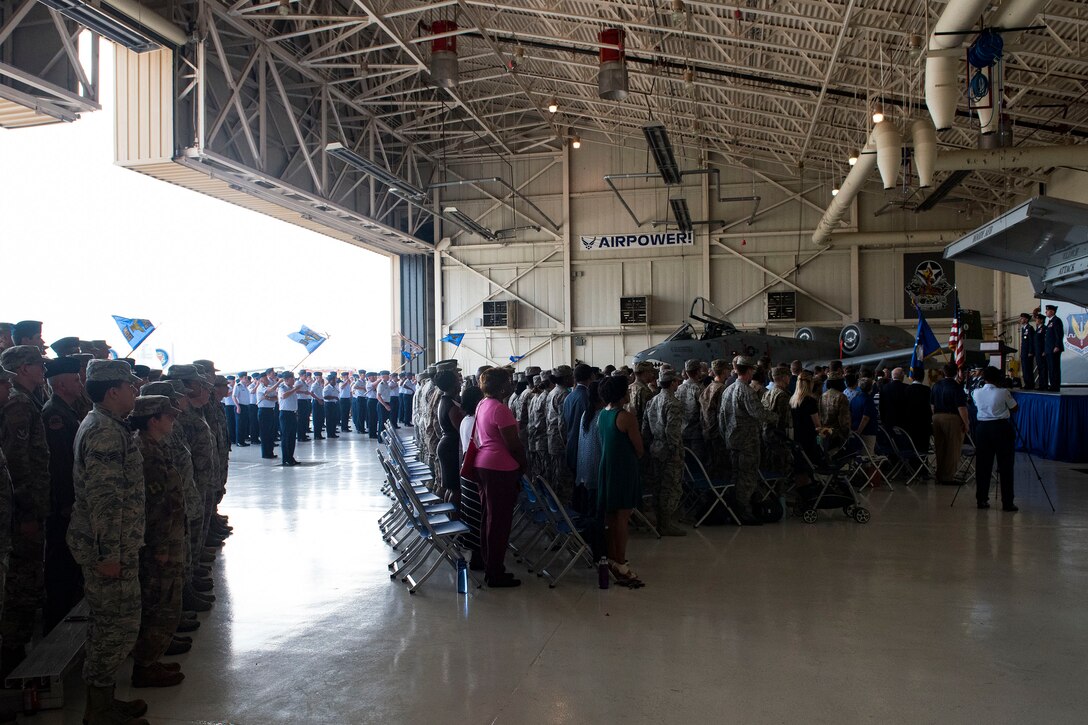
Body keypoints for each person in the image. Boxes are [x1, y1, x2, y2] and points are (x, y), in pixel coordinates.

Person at [67, 360, 150, 725]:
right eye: (129, 386)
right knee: (113, 628)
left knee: (116, 625)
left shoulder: (109, 425)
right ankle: (98, 711)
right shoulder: (103, 431)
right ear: (113, 391)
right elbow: (104, 501)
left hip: (118, 544)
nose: (135, 391)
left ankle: (105, 701)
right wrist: (108, 555)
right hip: (109, 549)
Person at [128, 396, 187, 688]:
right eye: (168, 416)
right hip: (159, 541)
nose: (172, 420)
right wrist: (162, 546)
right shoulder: (147, 453)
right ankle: (146, 664)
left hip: (166, 536)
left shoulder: (154, 447)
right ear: (153, 420)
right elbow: (156, 504)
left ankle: (151, 658)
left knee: (163, 599)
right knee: (158, 601)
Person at [0, 346, 50, 677]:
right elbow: (17, 459)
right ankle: (12, 650)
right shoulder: (18, 403)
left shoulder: (25, 399)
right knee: (22, 579)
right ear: (22, 368)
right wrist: (29, 511)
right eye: (37, 364)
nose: (42, 369)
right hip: (23, 509)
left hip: (29, 503)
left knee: (29, 576)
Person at [41, 356, 86, 634]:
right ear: (60, 384)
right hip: (62, 506)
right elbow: (59, 465)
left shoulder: (67, 411)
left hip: (70, 502)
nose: (80, 382)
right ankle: (56, 629)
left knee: (70, 569)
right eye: (75, 379)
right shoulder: (54, 415)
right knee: (60, 569)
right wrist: (68, 503)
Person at [472, 368, 527, 588]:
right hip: (500, 468)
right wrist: (524, 465)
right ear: (502, 387)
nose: (512, 385)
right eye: (509, 381)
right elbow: (513, 444)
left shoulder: (482, 404)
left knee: (489, 519)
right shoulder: (500, 409)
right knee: (499, 523)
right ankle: (495, 572)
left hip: (484, 464)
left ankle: (490, 564)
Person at [597, 375, 644, 586]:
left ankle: (611, 559)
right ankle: (621, 560)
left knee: (610, 517)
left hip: (607, 468)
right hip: (624, 470)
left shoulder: (602, 415)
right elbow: (639, 449)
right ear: (622, 393)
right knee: (623, 517)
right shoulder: (626, 417)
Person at [720, 356, 777, 525]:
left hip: (732, 440)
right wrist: (775, 416)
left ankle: (734, 509)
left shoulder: (728, 389)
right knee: (747, 477)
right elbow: (758, 414)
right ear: (749, 371)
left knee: (736, 475)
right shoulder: (746, 391)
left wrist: (726, 437)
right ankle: (743, 512)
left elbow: (722, 417)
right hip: (747, 442)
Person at [643, 369, 686, 536]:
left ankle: (659, 520)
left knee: (658, 486)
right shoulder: (674, 403)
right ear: (673, 383)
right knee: (671, 487)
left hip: (655, 448)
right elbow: (672, 432)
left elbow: (645, 429)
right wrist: (675, 450)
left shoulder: (652, 401)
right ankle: (666, 523)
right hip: (669, 450)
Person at [972, 366, 1018, 511]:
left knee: (983, 465)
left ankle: (981, 499)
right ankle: (1007, 502)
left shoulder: (976, 392)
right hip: (1001, 428)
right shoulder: (1003, 392)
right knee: (1005, 466)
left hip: (982, 429)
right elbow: (1015, 408)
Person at [458, 386, 485, 570]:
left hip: (467, 471)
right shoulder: (475, 421)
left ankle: (475, 553)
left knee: (472, 512)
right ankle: (477, 556)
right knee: (477, 514)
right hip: (474, 470)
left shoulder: (466, 420)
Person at [930, 363, 970, 486]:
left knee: (940, 448)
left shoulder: (936, 386)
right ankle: (948, 477)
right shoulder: (956, 387)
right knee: (952, 448)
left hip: (936, 417)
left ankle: (939, 474)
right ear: (956, 373)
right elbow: (961, 408)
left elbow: (931, 405)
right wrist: (966, 423)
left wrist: (935, 415)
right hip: (952, 418)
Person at [433, 369, 464, 507]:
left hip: (447, 445)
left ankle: (449, 516)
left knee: (451, 488)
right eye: (458, 380)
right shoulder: (451, 405)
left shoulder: (445, 400)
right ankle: (454, 520)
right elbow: (460, 429)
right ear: (453, 384)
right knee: (456, 489)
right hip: (450, 447)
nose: (460, 383)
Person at [699, 359, 731, 481]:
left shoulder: (708, 388)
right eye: (727, 369)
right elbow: (724, 414)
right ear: (724, 371)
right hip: (719, 434)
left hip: (707, 431)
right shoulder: (722, 389)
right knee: (722, 467)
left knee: (711, 464)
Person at [562, 364, 592, 479]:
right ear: (591, 376)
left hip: (571, 444)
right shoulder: (586, 396)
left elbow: (563, 423)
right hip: (583, 447)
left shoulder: (569, 396)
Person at [790, 370, 821, 465]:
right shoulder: (810, 401)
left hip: (796, 437)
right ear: (810, 384)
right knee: (810, 465)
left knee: (800, 467)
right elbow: (817, 425)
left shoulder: (793, 400)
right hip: (809, 438)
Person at [819, 376, 851, 448]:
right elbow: (844, 419)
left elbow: (820, 414)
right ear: (839, 383)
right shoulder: (841, 396)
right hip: (837, 434)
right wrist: (846, 433)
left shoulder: (823, 395)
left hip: (825, 432)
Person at [277, 371, 300, 466]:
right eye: (292, 378)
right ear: (286, 379)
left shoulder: (291, 388)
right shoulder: (282, 387)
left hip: (292, 414)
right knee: (286, 437)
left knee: (292, 437)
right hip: (285, 414)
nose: (294, 380)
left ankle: (291, 457)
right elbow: (284, 396)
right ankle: (285, 458)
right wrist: (294, 389)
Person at [255, 369, 278, 459]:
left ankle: (270, 452)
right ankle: (266, 453)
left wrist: (268, 398)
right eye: (265, 379)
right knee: (265, 433)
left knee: (270, 432)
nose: (267, 380)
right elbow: (271, 390)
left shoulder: (267, 386)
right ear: (261, 380)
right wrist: (279, 382)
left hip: (270, 410)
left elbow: (275, 398)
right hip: (263, 411)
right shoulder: (261, 387)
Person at [1043, 304, 1064, 392]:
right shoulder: (1050, 322)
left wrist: (1057, 346)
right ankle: (1052, 385)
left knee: (1054, 368)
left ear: (1052, 311)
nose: (1045, 312)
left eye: (1047, 311)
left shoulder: (1056, 320)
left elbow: (1059, 334)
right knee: (1051, 368)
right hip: (1049, 349)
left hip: (1054, 349)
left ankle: (1055, 386)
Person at [1018, 313, 1035, 390]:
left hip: (1028, 352)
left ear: (1026, 319)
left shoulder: (1030, 328)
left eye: (1022, 318)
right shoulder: (1023, 328)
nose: (1020, 320)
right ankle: (1026, 383)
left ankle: (1030, 384)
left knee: (1028, 368)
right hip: (1024, 352)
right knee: (1024, 368)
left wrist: (1031, 351)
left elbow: (1031, 341)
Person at [1033, 313, 1049, 391]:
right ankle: (1041, 384)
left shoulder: (1044, 328)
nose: (1036, 320)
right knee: (1040, 368)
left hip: (1042, 352)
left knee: (1043, 369)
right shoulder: (1038, 329)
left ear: (1041, 320)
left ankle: (1044, 385)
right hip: (1037, 352)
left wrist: (1045, 350)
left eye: (1037, 319)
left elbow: (1046, 341)